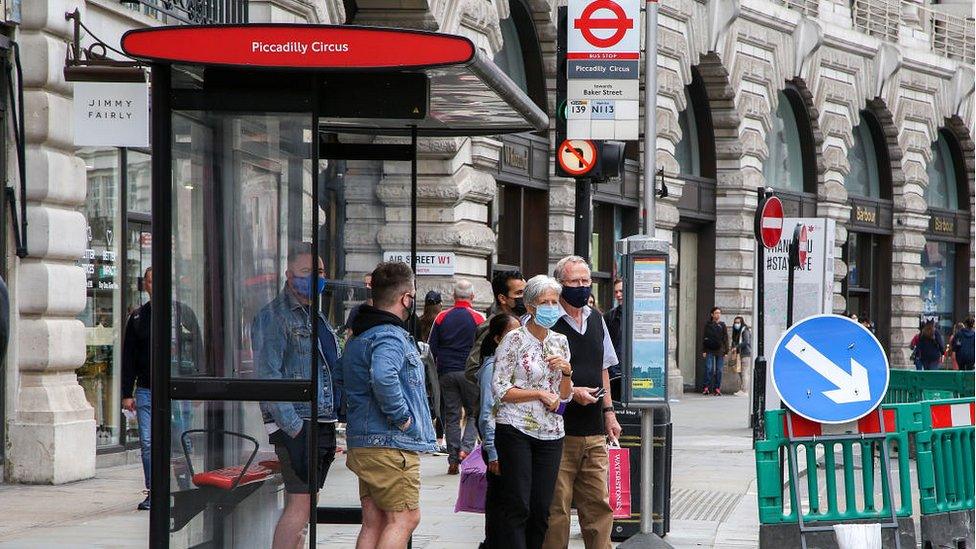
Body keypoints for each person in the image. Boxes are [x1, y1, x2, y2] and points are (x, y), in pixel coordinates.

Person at [337, 261, 437, 549]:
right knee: (405, 518)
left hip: (366, 441)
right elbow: (383, 376)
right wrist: (403, 418)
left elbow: (342, 376)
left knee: (375, 520)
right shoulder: (390, 336)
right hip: (390, 443)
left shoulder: (361, 335)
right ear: (406, 297)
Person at [252, 244, 340, 549]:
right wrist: (295, 428)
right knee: (299, 507)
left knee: (306, 508)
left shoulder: (314, 315)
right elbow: (268, 377)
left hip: (320, 421)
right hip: (301, 424)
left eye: (320, 271)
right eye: (307, 272)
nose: (316, 277)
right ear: (289, 276)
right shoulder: (276, 317)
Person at [544, 256, 622, 549]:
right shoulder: (548, 322)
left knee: (598, 506)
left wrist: (609, 413)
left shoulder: (596, 319)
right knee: (557, 509)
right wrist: (572, 391)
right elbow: (539, 375)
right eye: (574, 282)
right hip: (558, 430)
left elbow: (603, 368)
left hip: (593, 430)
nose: (581, 287)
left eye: (585, 281)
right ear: (560, 285)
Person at [492, 275, 573, 549]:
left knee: (541, 509)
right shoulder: (513, 339)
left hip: (551, 432)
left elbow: (564, 396)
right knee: (518, 505)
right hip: (515, 428)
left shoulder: (561, 341)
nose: (550, 307)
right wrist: (537, 393)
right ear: (529, 306)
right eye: (543, 302)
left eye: (554, 301)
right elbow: (500, 389)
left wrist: (566, 372)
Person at [121, 266, 201, 511]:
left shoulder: (183, 314)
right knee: (147, 442)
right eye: (150, 282)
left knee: (181, 439)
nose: (155, 286)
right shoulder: (138, 318)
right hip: (147, 390)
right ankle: (153, 491)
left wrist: (197, 384)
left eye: (159, 281)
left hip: (179, 390)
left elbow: (197, 348)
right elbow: (129, 358)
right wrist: (126, 393)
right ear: (145, 286)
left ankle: (184, 486)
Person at [428, 279, 485, 474]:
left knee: (451, 415)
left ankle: (453, 460)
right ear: (473, 297)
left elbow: (431, 348)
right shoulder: (478, 318)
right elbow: (484, 349)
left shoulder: (442, 317)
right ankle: (466, 449)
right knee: (473, 413)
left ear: (453, 297)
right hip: (470, 373)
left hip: (447, 372)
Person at [476, 313, 521, 549]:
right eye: (512, 333)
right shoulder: (492, 367)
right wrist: (492, 451)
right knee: (500, 504)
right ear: (497, 339)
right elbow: (486, 412)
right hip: (499, 445)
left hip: (510, 441)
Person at [464, 270, 527, 386]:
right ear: (502, 298)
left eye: (526, 292)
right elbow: (472, 369)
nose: (524, 298)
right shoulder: (492, 326)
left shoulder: (524, 321)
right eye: (519, 293)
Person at [603, 278, 624, 399]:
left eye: (621, 291)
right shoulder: (610, 316)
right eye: (616, 292)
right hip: (614, 372)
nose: (618, 295)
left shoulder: (638, 315)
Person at [701, 307, 728, 396]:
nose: (718, 314)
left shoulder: (722, 325)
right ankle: (706, 387)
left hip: (720, 350)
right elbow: (705, 338)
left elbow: (726, 338)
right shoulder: (708, 325)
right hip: (709, 349)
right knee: (709, 368)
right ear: (712, 314)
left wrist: (726, 351)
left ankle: (717, 388)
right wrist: (704, 350)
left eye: (719, 313)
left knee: (719, 370)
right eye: (716, 313)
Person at [729, 316, 752, 396]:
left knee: (744, 372)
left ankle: (745, 390)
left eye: (738, 322)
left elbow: (746, 341)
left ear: (742, 323)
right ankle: (743, 389)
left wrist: (736, 347)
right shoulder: (737, 332)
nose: (736, 324)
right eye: (735, 322)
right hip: (740, 354)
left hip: (745, 353)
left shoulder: (745, 330)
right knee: (740, 371)